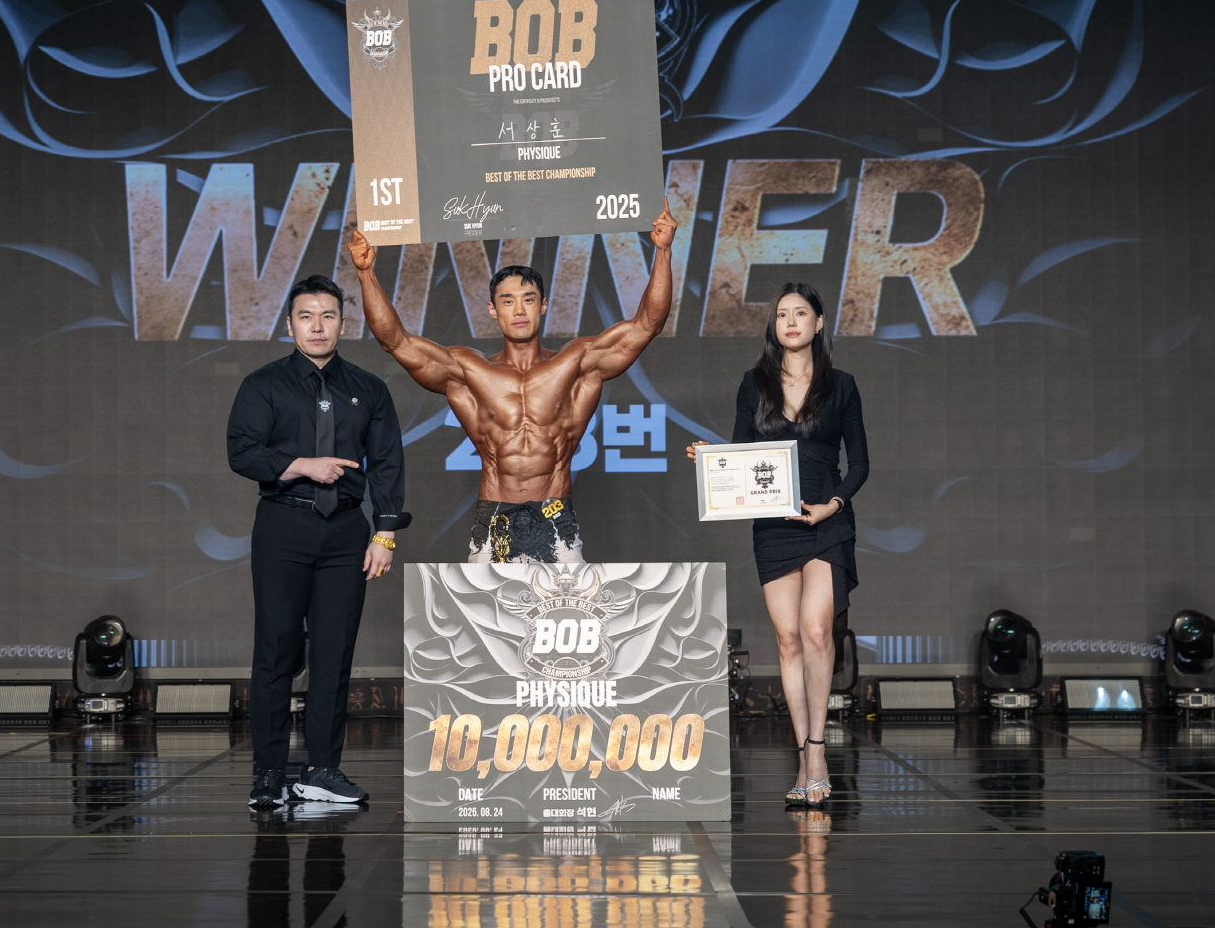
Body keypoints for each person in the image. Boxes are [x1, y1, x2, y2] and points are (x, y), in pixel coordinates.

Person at [346, 201, 678, 562]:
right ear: (493, 310)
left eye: (528, 300)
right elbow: (394, 340)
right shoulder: (469, 371)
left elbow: (648, 324)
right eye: (507, 301)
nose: (519, 310)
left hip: (556, 516)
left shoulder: (577, 364)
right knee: (486, 602)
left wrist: (662, 251)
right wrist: (365, 272)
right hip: (494, 518)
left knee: (568, 601)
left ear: (543, 305)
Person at [226, 274, 411, 808]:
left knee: (334, 654)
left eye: (328, 316)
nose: (317, 326)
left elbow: (388, 462)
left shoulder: (368, 388)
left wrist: (385, 535)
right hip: (284, 525)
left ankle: (323, 770)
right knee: (276, 650)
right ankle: (268, 773)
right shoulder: (264, 384)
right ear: (290, 324)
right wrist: (301, 465)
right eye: (306, 316)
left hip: (347, 531)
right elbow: (241, 451)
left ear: (342, 325)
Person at [685, 283, 868, 807]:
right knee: (788, 641)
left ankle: (818, 752)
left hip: (826, 521)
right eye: (782, 313)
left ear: (818, 322)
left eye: (800, 313)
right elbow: (742, 452)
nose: (790, 321)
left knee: (816, 630)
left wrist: (832, 504)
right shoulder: (755, 383)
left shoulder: (842, 385)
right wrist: (712, 459)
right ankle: (803, 755)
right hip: (773, 525)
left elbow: (860, 463)